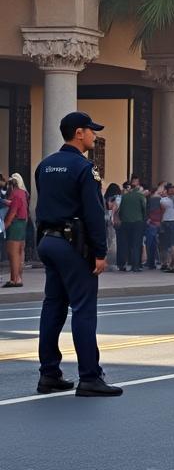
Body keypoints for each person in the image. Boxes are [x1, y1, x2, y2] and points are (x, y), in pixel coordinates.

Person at [34, 111, 121, 397]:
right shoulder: (85, 168)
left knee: (53, 307)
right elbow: (94, 213)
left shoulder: (44, 166)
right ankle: (90, 377)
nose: (95, 135)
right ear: (79, 133)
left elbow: (41, 206)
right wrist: (99, 251)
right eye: (91, 131)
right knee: (83, 310)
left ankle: (49, 373)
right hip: (73, 246)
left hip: (48, 241)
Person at [114, 177, 147, 272]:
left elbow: (120, 210)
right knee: (136, 244)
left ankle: (122, 264)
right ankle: (135, 265)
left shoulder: (124, 197)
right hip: (137, 222)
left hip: (125, 222)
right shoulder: (140, 196)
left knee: (124, 244)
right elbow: (144, 209)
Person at [4, 173, 30, 287]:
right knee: (19, 253)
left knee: (13, 254)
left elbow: (13, 212)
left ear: (11, 185)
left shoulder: (15, 194)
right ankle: (18, 278)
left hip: (15, 224)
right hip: (22, 224)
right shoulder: (24, 193)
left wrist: (4, 226)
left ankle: (14, 280)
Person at [158, 184, 174, 272]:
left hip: (166, 220)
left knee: (165, 243)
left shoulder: (163, 200)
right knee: (173, 242)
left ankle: (165, 262)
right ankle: (172, 262)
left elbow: (162, 211)